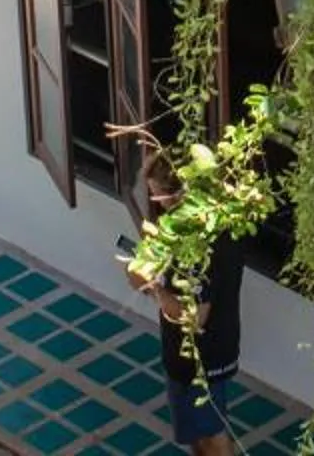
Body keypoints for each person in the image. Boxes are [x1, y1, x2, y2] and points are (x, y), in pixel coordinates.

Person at [127, 161, 243, 456]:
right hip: (192, 354)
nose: (157, 206)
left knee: (212, 436)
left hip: (202, 357)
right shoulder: (211, 224)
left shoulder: (198, 246)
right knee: (198, 433)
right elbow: (135, 278)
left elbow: (194, 317)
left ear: (177, 195)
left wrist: (156, 288)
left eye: (157, 197)